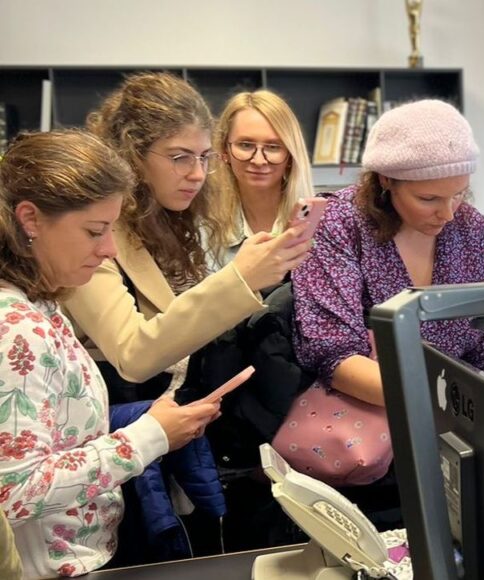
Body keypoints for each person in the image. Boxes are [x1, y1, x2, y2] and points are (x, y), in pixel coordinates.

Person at [0, 130, 221, 578]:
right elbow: (15, 493)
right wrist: (150, 437)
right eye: (95, 231)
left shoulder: (41, 301)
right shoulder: (16, 329)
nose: (109, 250)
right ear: (30, 219)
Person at [61, 72, 310, 404]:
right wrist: (240, 279)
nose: (196, 173)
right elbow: (132, 355)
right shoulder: (90, 228)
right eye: (180, 157)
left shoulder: (172, 220)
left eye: (204, 157)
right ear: (132, 154)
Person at [291, 98, 484, 444]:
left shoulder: (471, 229)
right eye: (429, 199)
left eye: (459, 194)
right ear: (386, 180)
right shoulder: (341, 224)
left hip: (458, 429)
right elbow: (333, 352)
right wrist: (441, 400)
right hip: (367, 434)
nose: (448, 213)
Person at [207, 89, 314, 269]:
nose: (258, 160)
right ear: (224, 151)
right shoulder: (204, 227)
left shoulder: (323, 223)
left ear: (290, 155)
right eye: (246, 145)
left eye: (273, 147)